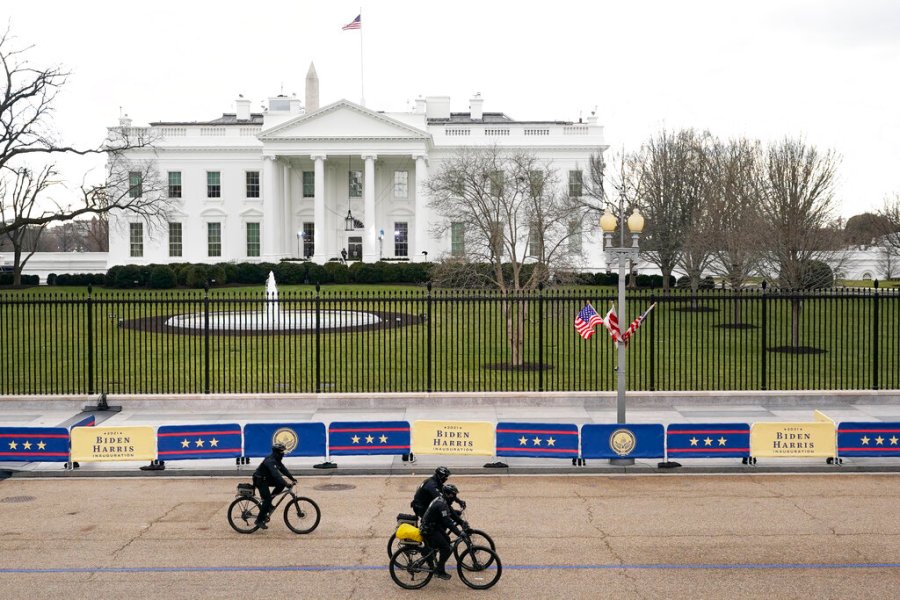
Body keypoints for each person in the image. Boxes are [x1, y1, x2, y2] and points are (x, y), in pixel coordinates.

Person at [419, 483, 468, 580]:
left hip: (433, 527)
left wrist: (461, 522)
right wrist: (459, 533)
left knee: (447, 540)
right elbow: (448, 522)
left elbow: (452, 514)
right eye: (452, 495)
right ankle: (439, 570)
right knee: (447, 548)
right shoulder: (441, 504)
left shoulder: (444, 501)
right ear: (447, 494)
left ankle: (428, 552)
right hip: (429, 529)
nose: (454, 497)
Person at [252, 442, 296, 529]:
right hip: (260, 480)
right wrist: (286, 484)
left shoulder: (277, 459)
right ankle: (259, 520)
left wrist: (292, 478)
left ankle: (268, 505)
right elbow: (276, 475)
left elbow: (283, 469)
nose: (283, 453)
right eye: (281, 451)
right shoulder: (270, 461)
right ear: (276, 452)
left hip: (266, 478)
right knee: (267, 499)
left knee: (280, 484)